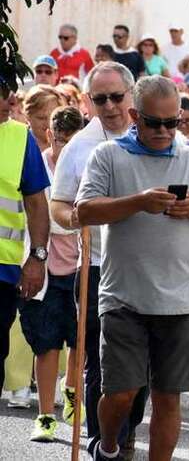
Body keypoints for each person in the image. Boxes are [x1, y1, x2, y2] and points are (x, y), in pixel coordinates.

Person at [75, 75, 189, 460]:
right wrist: (138, 202)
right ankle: (108, 445)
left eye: (172, 123)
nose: (164, 132)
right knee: (121, 393)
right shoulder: (109, 155)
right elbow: (83, 211)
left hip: (178, 301)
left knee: (168, 398)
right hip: (123, 297)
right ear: (133, 116)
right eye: (153, 123)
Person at [49, 62, 147, 458]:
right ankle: (100, 441)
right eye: (99, 99)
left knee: (142, 364)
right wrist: (78, 218)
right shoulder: (80, 146)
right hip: (97, 266)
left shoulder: (153, 133)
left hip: (147, 266)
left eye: (116, 97)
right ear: (89, 101)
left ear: (132, 94)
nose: (108, 106)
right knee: (101, 360)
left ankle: (126, 428)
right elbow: (58, 204)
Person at [19, 106, 85, 442]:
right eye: (60, 142)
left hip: (80, 267)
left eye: (72, 142)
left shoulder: (88, 167)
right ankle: (45, 414)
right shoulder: (38, 167)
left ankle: (73, 395)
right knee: (46, 344)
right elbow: (42, 214)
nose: (65, 150)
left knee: (79, 340)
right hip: (42, 269)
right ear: (50, 137)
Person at [0, 86, 50, 406]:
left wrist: (38, 257)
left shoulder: (20, 138)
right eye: (3, 92)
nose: (13, 101)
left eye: (12, 93)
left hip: (3, 273)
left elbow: (36, 203)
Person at [23, 85, 67, 153]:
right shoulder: (20, 144)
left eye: (54, 117)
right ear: (27, 116)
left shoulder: (70, 143)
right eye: (41, 118)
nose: (48, 123)